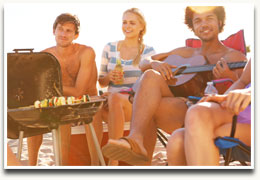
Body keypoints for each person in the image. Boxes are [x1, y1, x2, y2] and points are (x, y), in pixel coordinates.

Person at [102, 6, 248, 165]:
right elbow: (145, 63)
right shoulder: (186, 52)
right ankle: (135, 138)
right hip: (183, 108)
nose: (203, 24)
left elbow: (246, 91)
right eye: (198, 21)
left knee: (148, 107)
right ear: (193, 27)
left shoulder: (234, 56)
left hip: (214, 115)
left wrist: (230, 77)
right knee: (150, 75)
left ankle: (141, 162)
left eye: (209, 18)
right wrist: (155, 63)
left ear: (220, 22)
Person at [27, 13, 100, 166]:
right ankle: (33, 166)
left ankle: (96, 166)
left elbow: (79, 91)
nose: (63, 34)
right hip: (63, 103)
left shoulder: (86, 52)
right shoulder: (45, 55)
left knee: (89, 105)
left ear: (76, 35)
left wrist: (51, 87)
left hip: (87, 102)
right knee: (40, 111)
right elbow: (38, 89)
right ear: (54, 31)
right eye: (60, 29)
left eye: (68, 31)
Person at [88, 8, 155, 166]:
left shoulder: (148, 52)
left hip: (134, 104)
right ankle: (94, 163)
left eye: (132, 23)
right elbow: (101, 82)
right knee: (91, 106)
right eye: (124, 22)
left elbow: (149, 85)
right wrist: (109, 77)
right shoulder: (109, 48)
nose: (127, 26)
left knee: (116, 98)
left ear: (141, 27)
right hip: (111, 103)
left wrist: (115, 95)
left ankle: (113, 161)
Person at [166, 59, 251, 166]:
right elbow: (242, 81)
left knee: (200, 121)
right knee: (178, 139)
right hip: (239, 109)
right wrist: (222, 99)